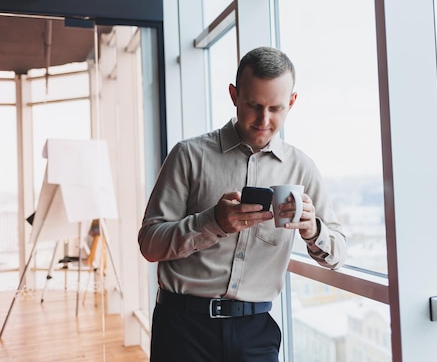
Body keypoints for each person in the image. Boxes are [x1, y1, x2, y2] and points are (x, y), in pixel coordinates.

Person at [138, 46, 347, 362]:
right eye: (254, 105)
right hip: (182, 328)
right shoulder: (188, 156)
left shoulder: (302, 168)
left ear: (291, 102)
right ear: (234, 95)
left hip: (256, 332)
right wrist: (213, 223)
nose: (264, 120)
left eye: (276, 108)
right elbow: (149, 244)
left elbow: (337, 255)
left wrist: (312, 229)